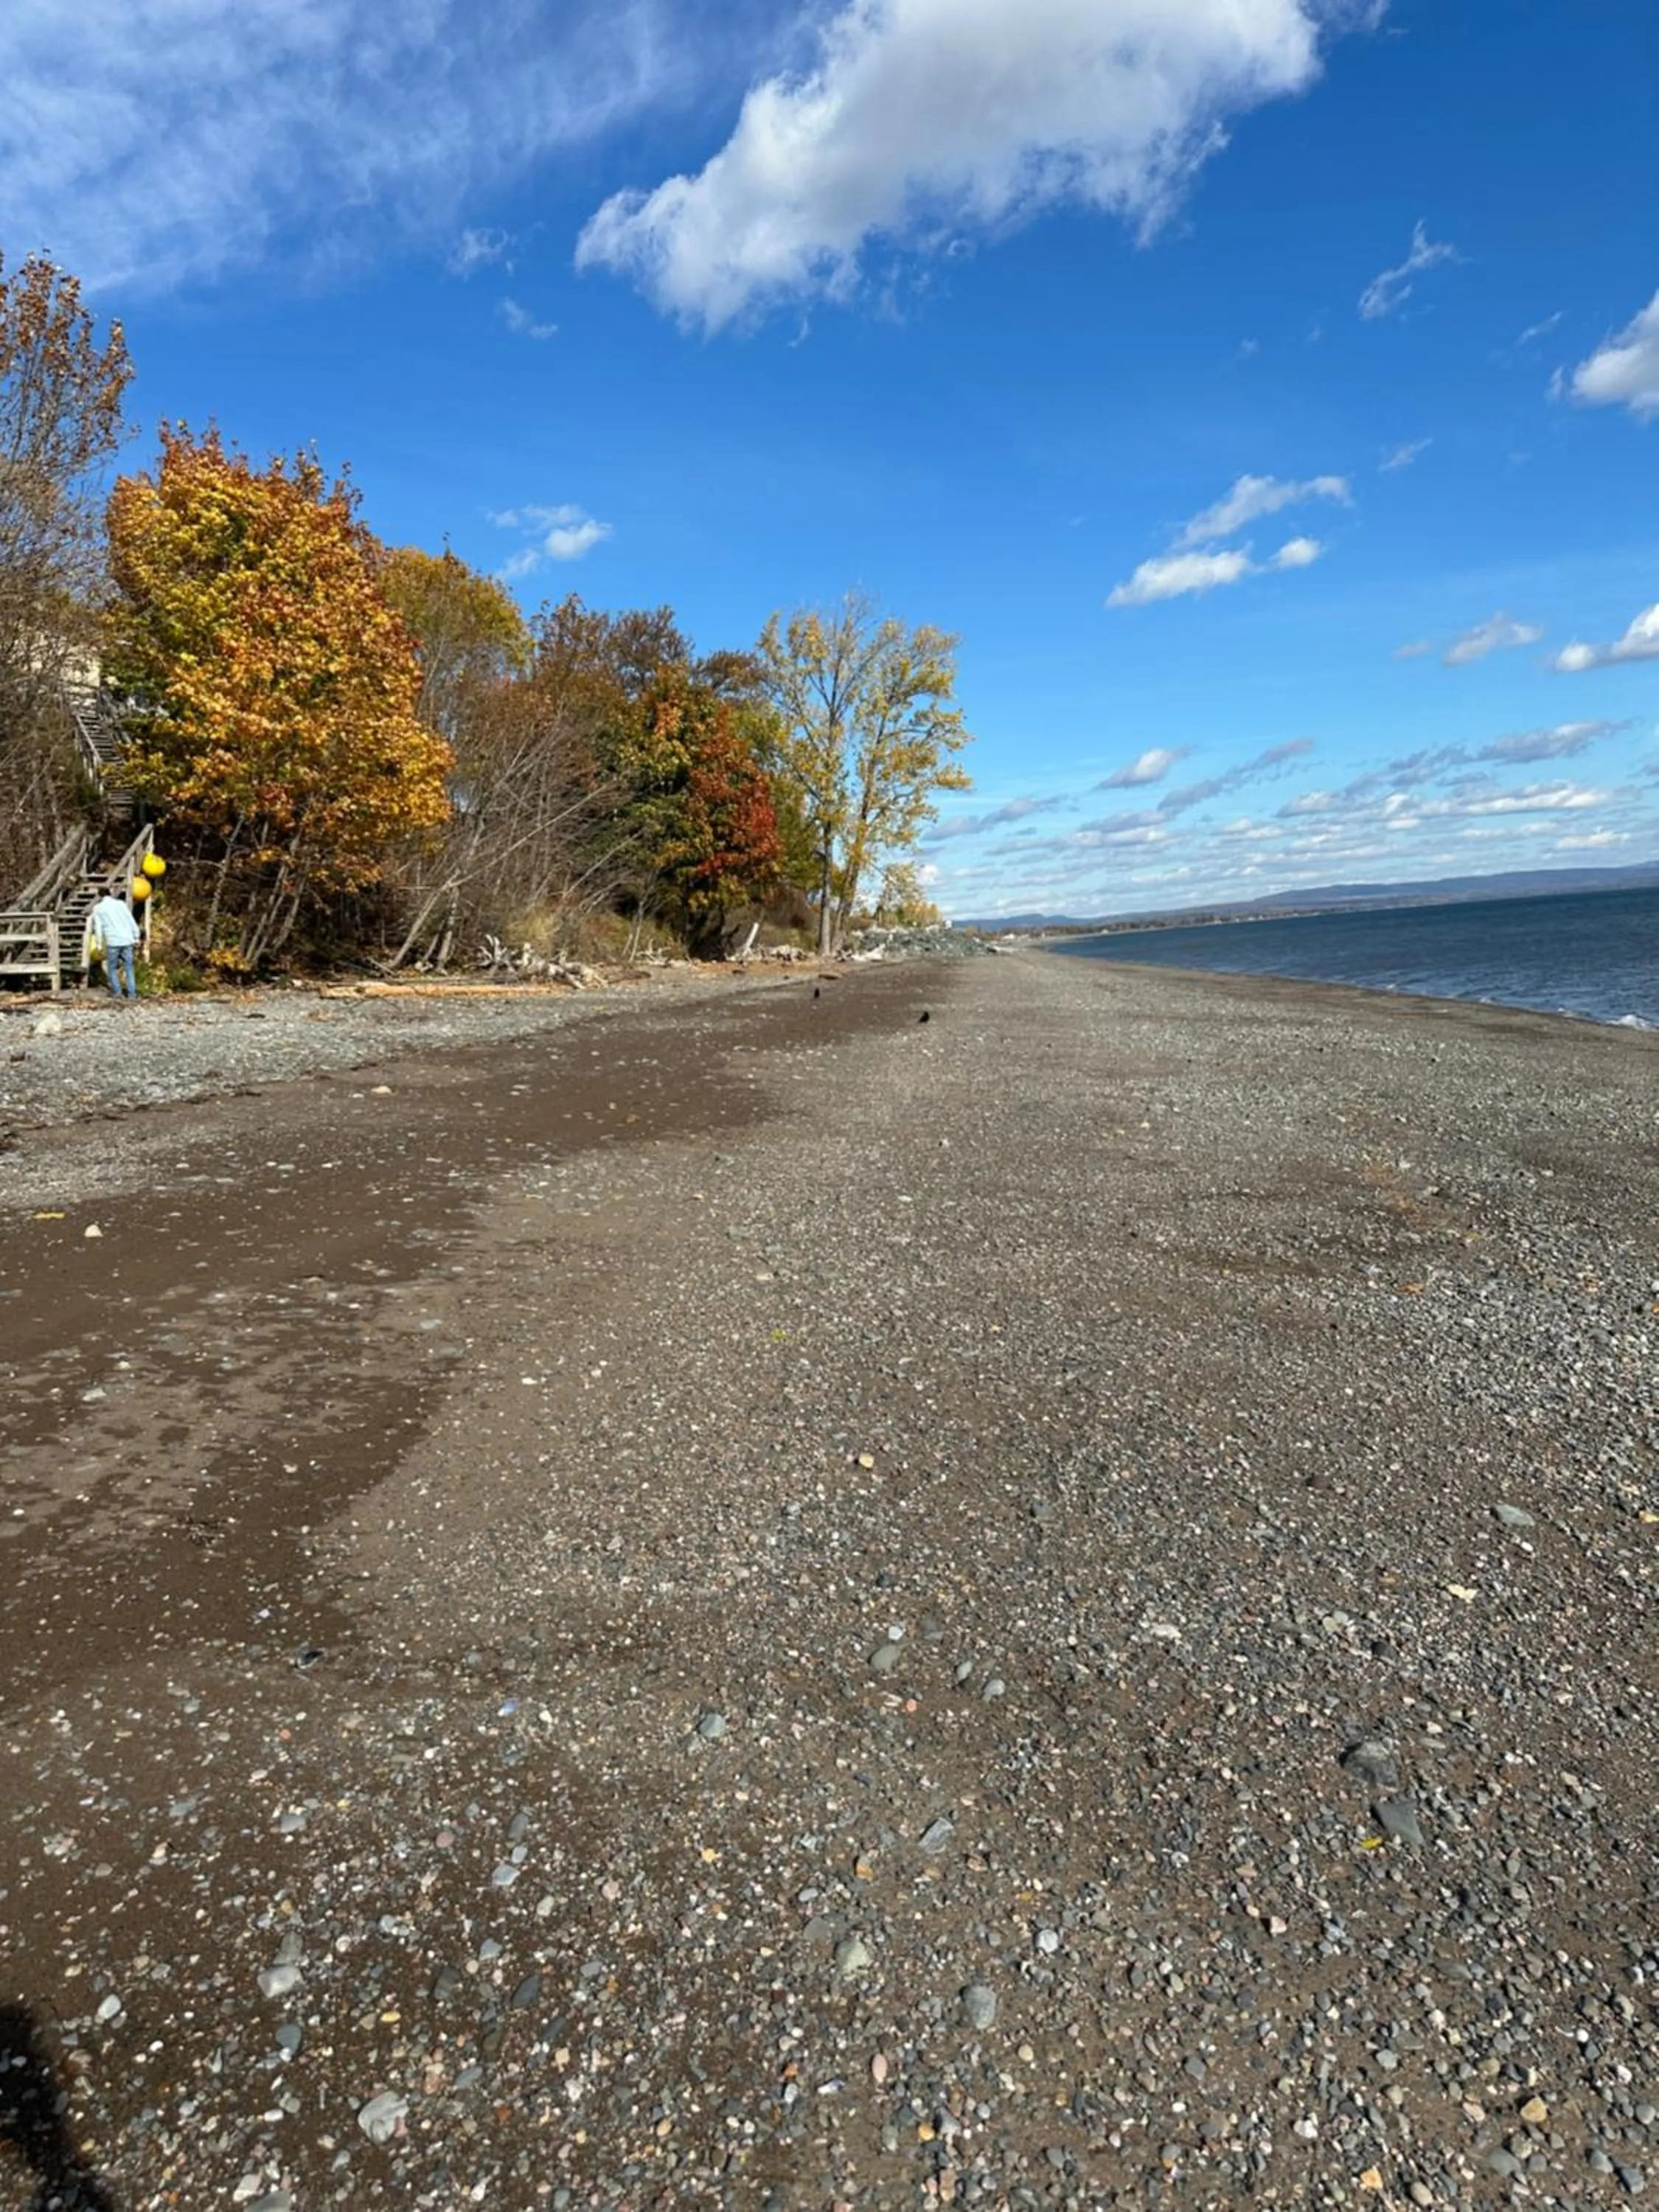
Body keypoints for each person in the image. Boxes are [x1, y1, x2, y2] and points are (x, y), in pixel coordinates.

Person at [88, 888, 142, 1004]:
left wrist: (98, 944)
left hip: (113, 941)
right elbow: (130, 920)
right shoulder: (121, 904)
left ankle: (117, 992)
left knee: (112, 968)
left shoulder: (98, 909)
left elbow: (98, 928)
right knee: (129, 968)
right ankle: (132, 994)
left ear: (100, 896)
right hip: (127, 939)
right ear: (110, 893)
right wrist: (136, 936)